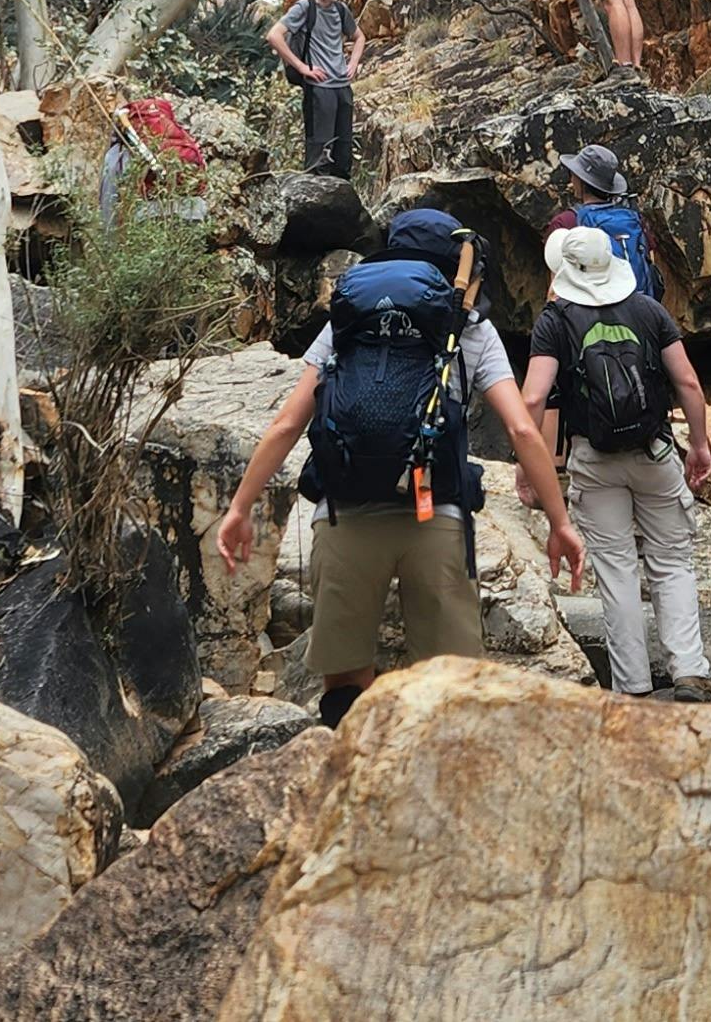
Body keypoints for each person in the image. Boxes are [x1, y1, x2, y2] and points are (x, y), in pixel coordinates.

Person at [211, 207, 586, 726]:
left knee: (344, 685)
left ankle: (353, 781)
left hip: (345, 513)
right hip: (436, 516)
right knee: (449, 685)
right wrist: (560, 523)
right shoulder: (467, 327)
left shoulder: (348, 321)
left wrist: (239, 507)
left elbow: (286, 424)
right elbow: (523, 429)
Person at [522, 223, 711, 701]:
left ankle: (632, 686)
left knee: (615, 568)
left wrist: (530, 464)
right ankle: (689, 671)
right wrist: (698, 444)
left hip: (594, 457)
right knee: (671, 562)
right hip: (652, 451)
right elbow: (688, 383)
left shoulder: (555, 321)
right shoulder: (648, 310)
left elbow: (532, 398)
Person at [264, 0, 366, 182]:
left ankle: (342, 204)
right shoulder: (305, 8)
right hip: (318, 87)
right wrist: (301, 67)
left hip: (342, 86)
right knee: (318, 152)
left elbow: (359, 37)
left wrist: (353, 64)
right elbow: (274, 35)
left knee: (343, 152)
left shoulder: (341, 10)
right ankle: (313, 206)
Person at [546, 141, 667, 303]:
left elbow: (555, 293)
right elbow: (650, 269)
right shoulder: (633, 219)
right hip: (639, 310)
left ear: (580, 180)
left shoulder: (566, 223)